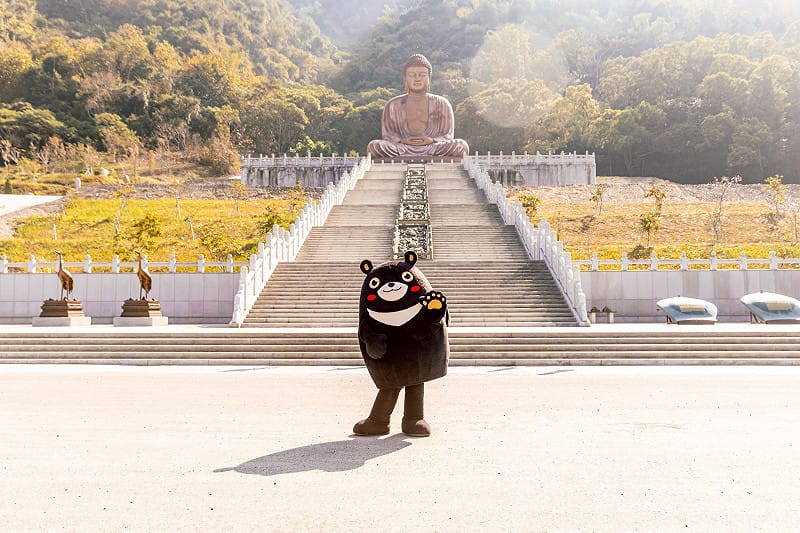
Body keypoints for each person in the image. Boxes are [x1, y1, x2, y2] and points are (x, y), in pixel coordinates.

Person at [367, 54, 469, 160]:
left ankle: (417, 155)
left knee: (460, 145)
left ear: (429, 77)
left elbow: (447, 135)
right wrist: (403, 141)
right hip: (402, 148)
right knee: (374, 146)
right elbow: (388, 136)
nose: (417, 79)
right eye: (412, 75)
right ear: (405, 78)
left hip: (432, 147)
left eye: (422, 74)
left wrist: (431, 140)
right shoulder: (393, 105)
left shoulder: (442, 103)